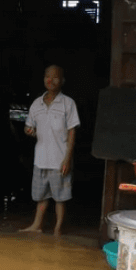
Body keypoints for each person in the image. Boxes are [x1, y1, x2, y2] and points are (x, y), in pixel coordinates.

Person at [19, 65, 80, 236]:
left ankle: (57, 229)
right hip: (41, 159)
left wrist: (67, 159)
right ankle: (37, 225)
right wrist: (29, 131)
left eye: (55, 77)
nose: (50, 80)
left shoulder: (68, 103)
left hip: (60, 158)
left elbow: (72, 132)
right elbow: (28, 127)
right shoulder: (36, 104)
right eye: (47, 76)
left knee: (60, 198)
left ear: (62, 81)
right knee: (41, 197)